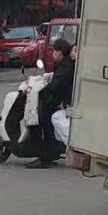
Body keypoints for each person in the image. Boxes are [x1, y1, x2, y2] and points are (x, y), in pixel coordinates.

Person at [31, 37, 76, 168]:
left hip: (64, 101)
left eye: (54, 51)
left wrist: (44, 90)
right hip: (61, 100)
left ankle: (47, 155)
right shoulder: (64, 65)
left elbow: (56, 85)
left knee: (45, 118)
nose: (52, 54)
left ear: (60, 53)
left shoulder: (65, 67)